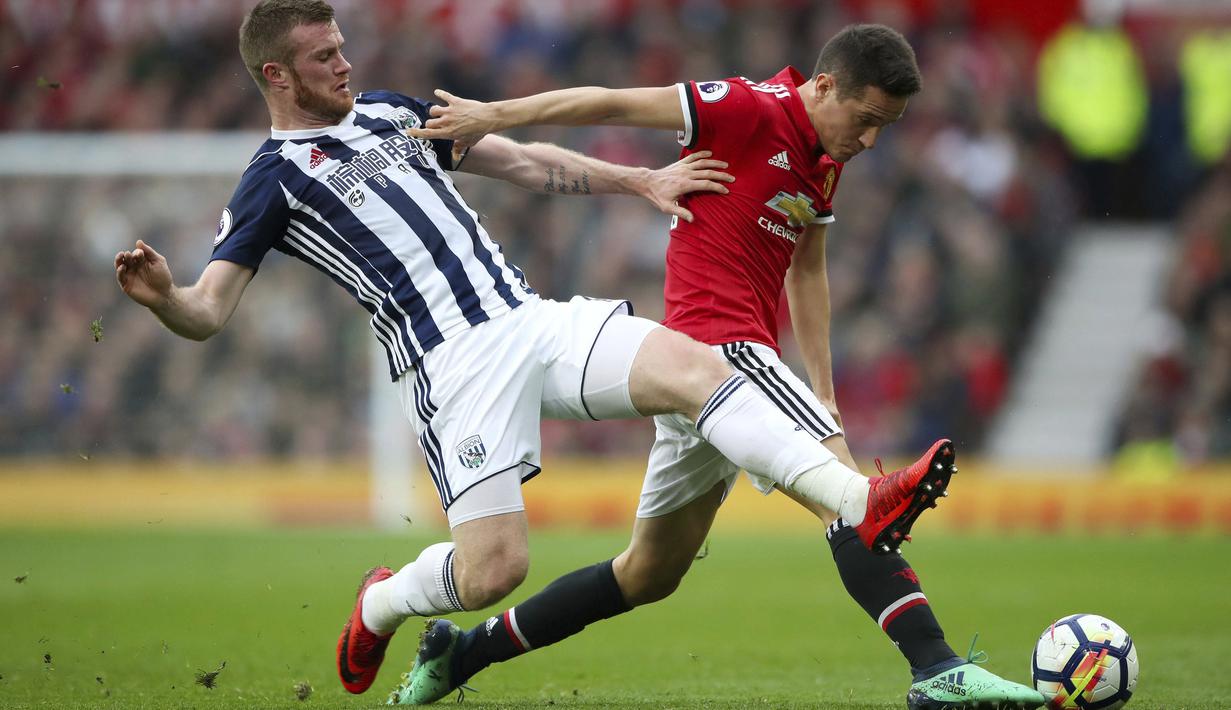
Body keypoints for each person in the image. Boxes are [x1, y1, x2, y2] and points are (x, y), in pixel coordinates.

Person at [113, 1, 955, 705]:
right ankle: (384, 601)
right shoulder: (272, 179)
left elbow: (522, 160)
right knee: (492, 573)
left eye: (340, 46)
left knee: (701, 368)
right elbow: (209, 311)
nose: (343, 64)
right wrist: (165, 301)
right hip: (451, 367)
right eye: (322, 56)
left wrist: (639, 181)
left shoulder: (392, 113)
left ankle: (857, 498)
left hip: (529, 320)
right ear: (276, 75)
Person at [394, 23, 1043, 710]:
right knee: (854, 503)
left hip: (699, 379)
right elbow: (611, 102)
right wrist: (496, 114)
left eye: (885, 126)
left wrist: (823, 391)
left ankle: (465, 651)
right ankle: (936, 669)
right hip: (720, 352)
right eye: (866, 120)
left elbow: (808, 269)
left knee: (647, 573)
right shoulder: (745, 108)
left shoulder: (825, 153)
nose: (870, 140)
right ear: (822, 87)